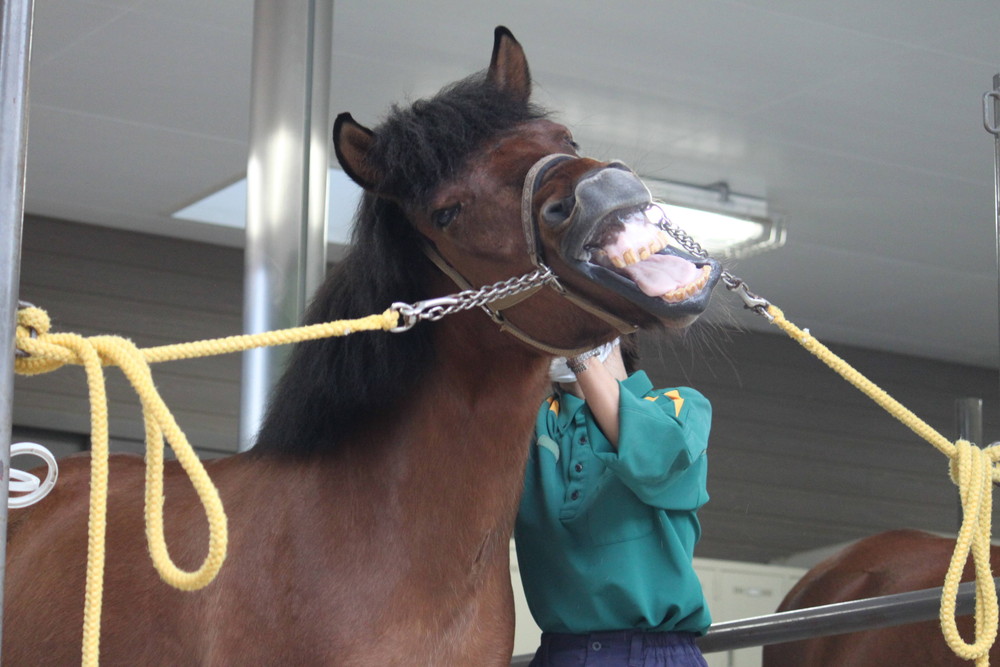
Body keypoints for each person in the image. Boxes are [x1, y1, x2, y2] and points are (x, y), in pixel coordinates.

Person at [515, 336, 712, 667]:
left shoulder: (678, 404)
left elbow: (656, 459)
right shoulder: (533, 421)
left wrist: (581, 354)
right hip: (559, 654)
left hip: (656, 654)